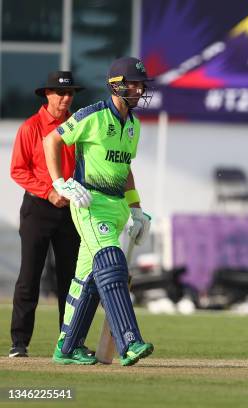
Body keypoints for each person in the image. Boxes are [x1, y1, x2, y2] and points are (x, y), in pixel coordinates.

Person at [43, 57, 154, 366]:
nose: (139, 89)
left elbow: (125, 168)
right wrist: (59, 182)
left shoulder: (133, 125)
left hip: (117, 207)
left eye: (141, 84)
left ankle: (68, 346)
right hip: (89, 205)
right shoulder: (91, 115)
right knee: (112, 265)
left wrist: (137, 210)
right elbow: (51, 140)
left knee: (88, 278)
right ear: (115, 84)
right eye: (132, 83)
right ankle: (129, 341)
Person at [8, 71, 84, 358]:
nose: (66, 99)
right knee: (30, 276)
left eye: (70, 94)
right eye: (60, 93)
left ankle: (70, 342)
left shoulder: (78, 126)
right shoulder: (31, 128)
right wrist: (48, 191)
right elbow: (18, 170)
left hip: (70, 210)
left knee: (70, 279)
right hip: (38, 208)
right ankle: (19, 342)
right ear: (47, 95)